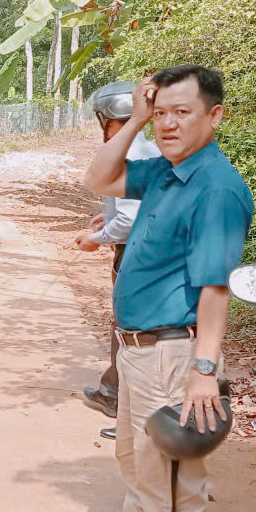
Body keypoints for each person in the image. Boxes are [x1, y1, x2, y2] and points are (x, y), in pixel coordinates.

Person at [82, 64, 254, 512]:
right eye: (161, 113)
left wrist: (204, 370)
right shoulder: (165, 171)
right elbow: (98, 179)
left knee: (174, 483)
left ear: (214, 115)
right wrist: (134, 120)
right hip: (138, 351)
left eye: (183, 112)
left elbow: (215, 288)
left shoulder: (216, 188)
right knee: (137, 464)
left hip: (174, 356)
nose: (169, 124)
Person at [75, 81, 161, 430]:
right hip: (150, 251)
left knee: (130, 330)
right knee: (134, 328)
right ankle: (113, 391)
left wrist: (96, 238)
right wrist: (106, 218)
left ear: (111, 118)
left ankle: (124, 408)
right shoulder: (149, 148)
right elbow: (135, 206)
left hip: (134, 254)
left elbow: (128, 219)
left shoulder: (126, 151)